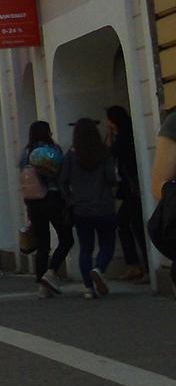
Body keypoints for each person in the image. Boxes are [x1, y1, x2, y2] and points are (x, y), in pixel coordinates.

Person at [61, 117, 118, 299]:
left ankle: (88, 287)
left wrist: (70, 199)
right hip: (104, 206)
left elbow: (62, 181)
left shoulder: (70, 155)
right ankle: (99, 268)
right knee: (107, 243)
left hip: (81, 209)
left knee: (85, 248)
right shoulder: (104, 152)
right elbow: (111, 178)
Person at [20, 121, 74, 298]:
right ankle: (50, 273)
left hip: (33, 201)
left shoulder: (26, 152)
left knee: (42, 242)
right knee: (66, 238)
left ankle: (41, 284)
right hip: (52, 198)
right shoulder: (53, 149)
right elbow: (61, 173)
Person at [105, 107, 147, 281]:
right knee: (125, 223)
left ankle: (143, 266)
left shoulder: (122, 137)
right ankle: (135, 265)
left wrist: (109, 135)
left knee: (135, 226)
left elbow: (108, 153)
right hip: (131, 188)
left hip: (132, 189)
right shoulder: (128, 132)